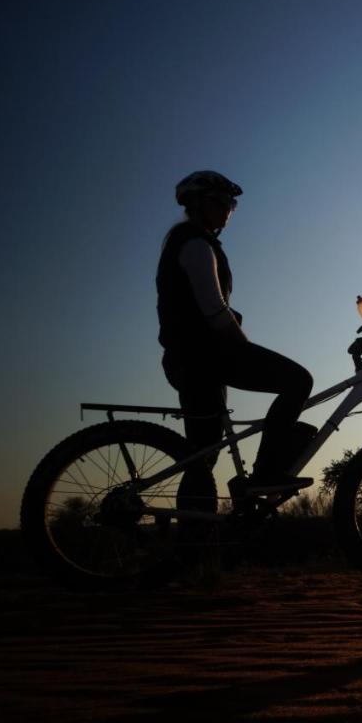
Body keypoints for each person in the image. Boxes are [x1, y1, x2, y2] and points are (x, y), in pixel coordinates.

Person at [156, 170, 314, 513]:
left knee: (203, 454)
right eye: (221, 202)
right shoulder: (195, 244)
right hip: (205, 353)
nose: (228, 210)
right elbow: (214, 309)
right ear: (198, 204)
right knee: (298, 380)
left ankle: (193, 544)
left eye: (231, 205)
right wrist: (243, 346)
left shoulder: (190, 242)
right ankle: (266, 472)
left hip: (192, 358)